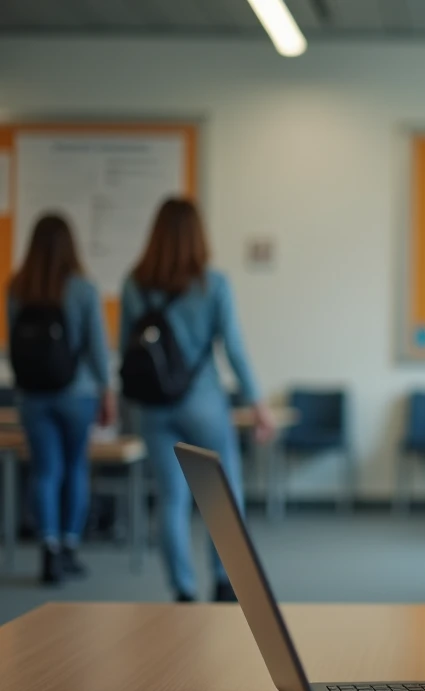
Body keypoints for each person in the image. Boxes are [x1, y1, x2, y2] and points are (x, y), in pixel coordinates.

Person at [119, 197, 274, 603]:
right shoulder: (213, 284)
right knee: (221, 497)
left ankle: (182, 590)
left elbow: (125, 351)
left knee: (171, 499)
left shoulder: (134, 284)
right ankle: (223, 583)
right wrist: (258, 405)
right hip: (204, 404)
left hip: (154, 407)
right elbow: (234, 349)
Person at [7, 214, 115, 584]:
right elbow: (97, 347)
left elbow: (13, 344)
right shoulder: (83, 288)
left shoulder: (18, 287)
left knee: (44, 471)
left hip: (33, 395)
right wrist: (106, 390)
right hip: (77, 393)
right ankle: (69, 546)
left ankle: (48, 549)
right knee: (75, 468)